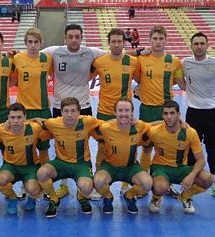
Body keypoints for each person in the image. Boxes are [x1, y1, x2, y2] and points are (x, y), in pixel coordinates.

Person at [42, 24, 105, 199]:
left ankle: (85, 184)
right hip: (59, 106)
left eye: (77, 36)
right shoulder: (54, 51)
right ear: (65, 38)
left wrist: (139, 53)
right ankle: (64, 185)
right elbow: (31, 55)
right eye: (71, 36)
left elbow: (116, 54)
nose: (74, 40)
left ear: (81, 37)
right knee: (60, 144)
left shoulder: (90, 52)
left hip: (83, 105)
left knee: (84, 144)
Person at [133, 25, 185, 198]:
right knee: (146, 148)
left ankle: (167, 184)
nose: (157, 42)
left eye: (161, 39)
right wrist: (140, 51)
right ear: (150, 41)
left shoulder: (174, 61)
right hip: (147, 109)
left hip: (167, 110)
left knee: (166, 149)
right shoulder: (141, 59)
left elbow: (183, 84)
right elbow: (124, 56)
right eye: (154, 39)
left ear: (166, 41)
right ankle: (144, 183)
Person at [91, 28, 140, 195]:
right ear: (109, 43)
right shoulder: (99, 62)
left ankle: (127, 184)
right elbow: (86, 78)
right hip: (104, 112)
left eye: (120, 41)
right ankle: (100, 185)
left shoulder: (133, 62)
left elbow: (140, 81)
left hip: (125, 113)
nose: (117, 44)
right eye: (114, 41)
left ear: (124, 43)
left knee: (129, 147)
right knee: (102, 147)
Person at [37, 97, 102, 218]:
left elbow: (110, 125)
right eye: (66, 111)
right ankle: (54, 199)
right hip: (61, 163)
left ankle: (81, 196)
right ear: (61, 112)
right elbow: (32, 123)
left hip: (81, 164)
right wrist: (34, 118)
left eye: (73, 111)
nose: (69, 115)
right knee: (42, 173)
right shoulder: (53, 123)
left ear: (79, 111)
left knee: (87, 188)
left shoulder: (88, 121)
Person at [148, 100, 213, 214]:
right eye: (166, 114)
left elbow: (201, 160)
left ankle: (185, 196)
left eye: (172, 113)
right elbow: (141, 125)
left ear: (179, 115)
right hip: (161, 167)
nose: (169, 117)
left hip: (181, 168)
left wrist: (192, 175)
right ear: (162, 115)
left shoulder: (190, 132)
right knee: (160, 187)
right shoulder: (154, 131)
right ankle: (156, 198)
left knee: (208, 179)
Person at [93, 98, 153, 214]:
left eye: (127, 111)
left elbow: (156, 125)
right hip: (110, 167)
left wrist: (179, 122)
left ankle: (129, 195)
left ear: (132, 112)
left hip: (131, 167)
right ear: (115, 112)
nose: (124, 114)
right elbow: (88, 125)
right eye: (120, 110)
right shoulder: (105, 127)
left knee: (148, 184)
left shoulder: (140, 126)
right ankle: (108, 197)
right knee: (97, 182)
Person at [11, 27, 53, 165]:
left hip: (43, 109)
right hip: (24, 111)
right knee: (26, 148)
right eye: (30, 42)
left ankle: (43, 179)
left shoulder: (47, 59)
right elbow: (12, 81)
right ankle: (27, 183)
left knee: (44, 149)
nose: (33, 45)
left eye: (36, 42)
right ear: (25, 43)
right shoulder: (17, 58)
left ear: (41, 43)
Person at [182, 32, 215, 196]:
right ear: (191, 46)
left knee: (213, 147)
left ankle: (214, 181)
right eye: (196, 44)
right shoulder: (185, 62)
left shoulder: (214, 63)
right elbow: (181, 82)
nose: (199, 46)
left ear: (207, 45)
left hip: (212, 112)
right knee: (190, 148)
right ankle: (191, 179)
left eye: (202, 43)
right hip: (193, 112)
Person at [0, 103, 43, 214]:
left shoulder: (35, 128)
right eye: (12, 118)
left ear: (25, 117)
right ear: (8, 118)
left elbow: (53, 122)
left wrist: (36, 118)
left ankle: (32, 197)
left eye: (19, 117)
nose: (16, 121)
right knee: (0, 180)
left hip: (30, 167)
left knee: (33, 189)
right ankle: (12, 199)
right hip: (11, 166)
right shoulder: (1, 130)